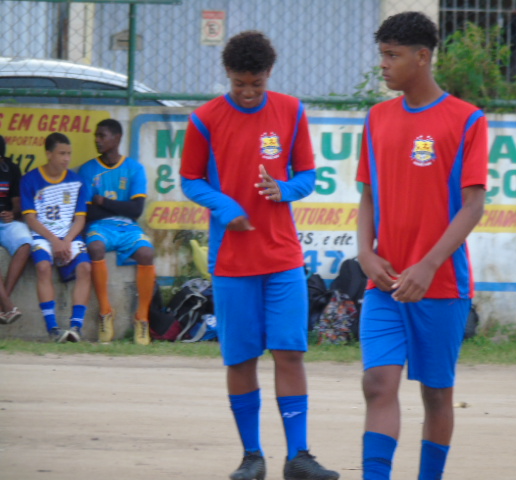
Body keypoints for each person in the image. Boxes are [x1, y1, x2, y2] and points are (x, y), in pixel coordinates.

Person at [180, 31, 339, 480]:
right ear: (227, 75)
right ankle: (252, 456)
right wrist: (224, 207)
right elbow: (190, 179)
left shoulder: (291, 110)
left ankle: (299, 457)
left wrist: (283, 189)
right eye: (239, 84)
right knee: (241, 358)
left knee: (290, 353)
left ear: (269, 74)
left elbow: (307, 176)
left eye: (256, 83)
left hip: (283, 259)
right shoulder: (205, 119)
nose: (248, 92)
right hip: (233, 263)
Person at [356, 12, 488, 480]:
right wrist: (365, 252)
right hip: (385, 282)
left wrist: (429, 265)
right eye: (382, 55)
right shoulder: (377, 118)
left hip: (441, 284)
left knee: (436, 395)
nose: (384, 65)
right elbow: (368, 195)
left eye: (392, 56)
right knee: (378, 383)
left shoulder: (467, 120)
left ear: (423, 57)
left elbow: (473, 205)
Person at [78, 118, 156, 346]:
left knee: (147, 253)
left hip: (128, 227)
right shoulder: (88, 169)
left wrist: (103, 201)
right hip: (100, 227)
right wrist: (119, 207)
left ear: (117, 138)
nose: (97, 140)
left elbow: (136, 210)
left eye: (102, 136)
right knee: (95, 248)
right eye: (96, 135)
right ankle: (105, 313)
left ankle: (142, 318)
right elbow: (88, 212)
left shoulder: (134, 169)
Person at [21, 133, 92, 342]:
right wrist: (54, 241)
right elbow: (30, 219)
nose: (66, 158)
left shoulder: (77, 181)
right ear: (49, 154)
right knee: (43, 267)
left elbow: (80, 219)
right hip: (43, 236)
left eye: (69, 154)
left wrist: (66, 241)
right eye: (62, 153)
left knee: (85, 268)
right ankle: (52, 329)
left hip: (69, 236)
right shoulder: (30, 180)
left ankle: (76, 327)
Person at [0, 135, 32, 325]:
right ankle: (8, 306)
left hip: (5, 222)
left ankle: (3, 305)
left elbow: (17, 204)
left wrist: (12, 213)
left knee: (25, 243)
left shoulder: (11, 169)